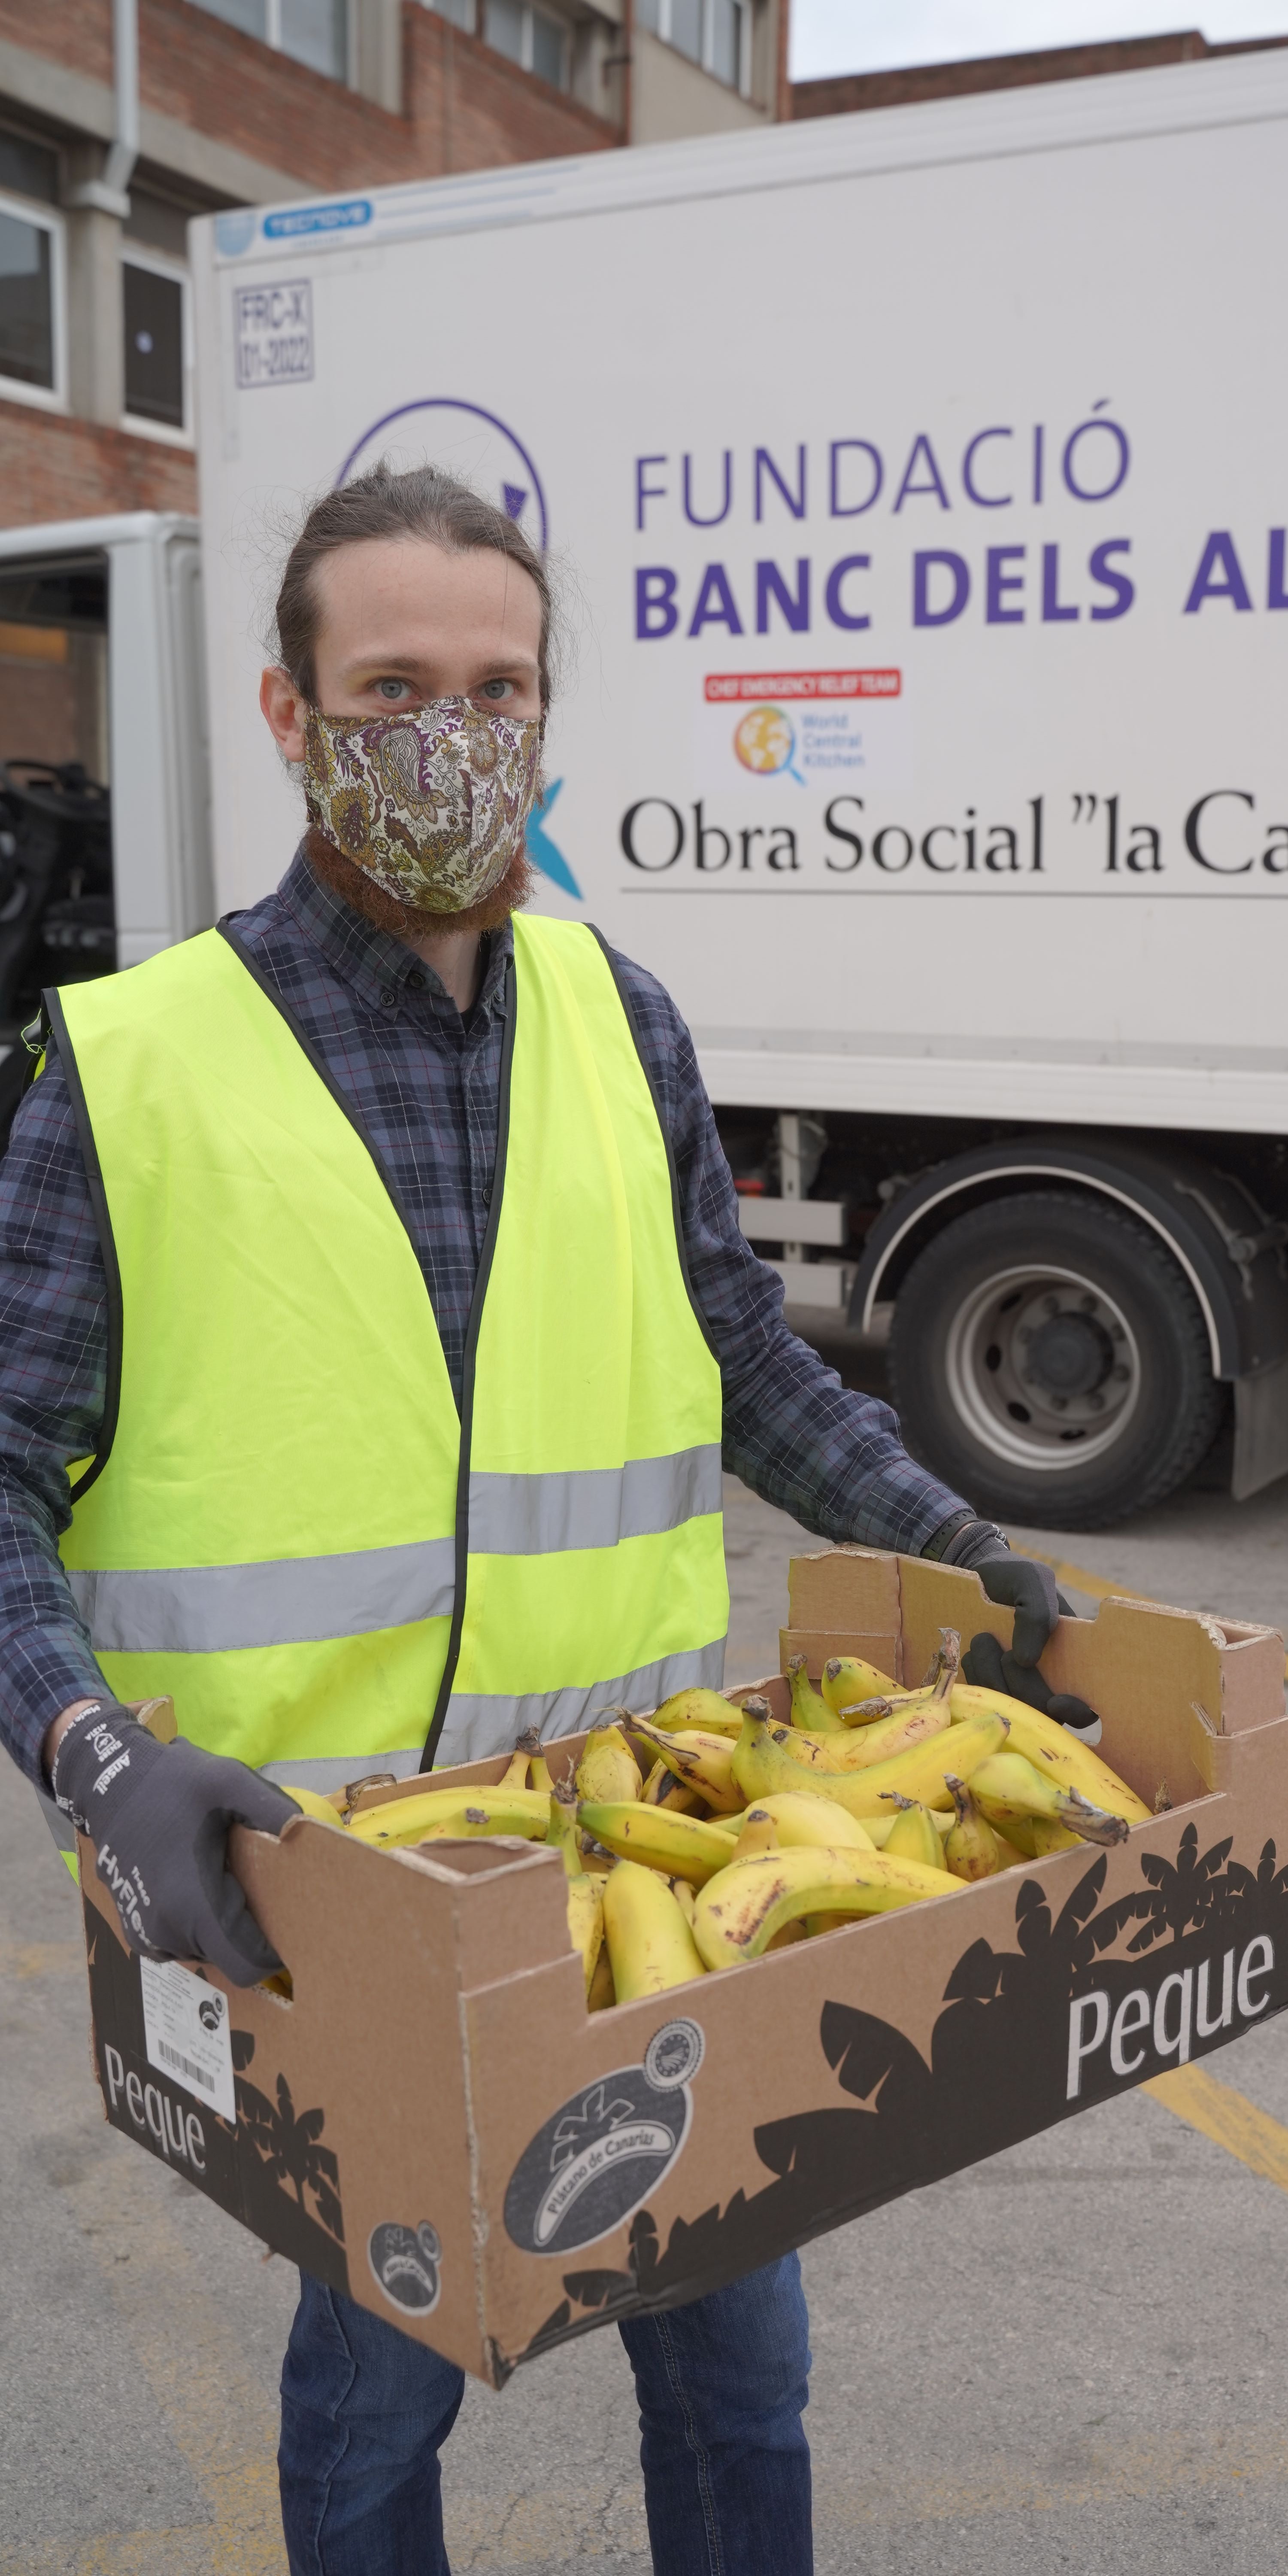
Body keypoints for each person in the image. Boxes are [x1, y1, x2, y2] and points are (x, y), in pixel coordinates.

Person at [0, 465, 1077, 2576]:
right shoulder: (126, 1070)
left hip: (664, 1850)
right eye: (392, 682)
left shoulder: (618, 1015)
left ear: (550, 718)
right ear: (291, 719)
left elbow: (744, 1364)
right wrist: (88, 1743)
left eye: (497, 685)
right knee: (378, 2403)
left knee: (737, 2369)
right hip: (331, 1893)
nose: (451, 731)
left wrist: (976, 1550)